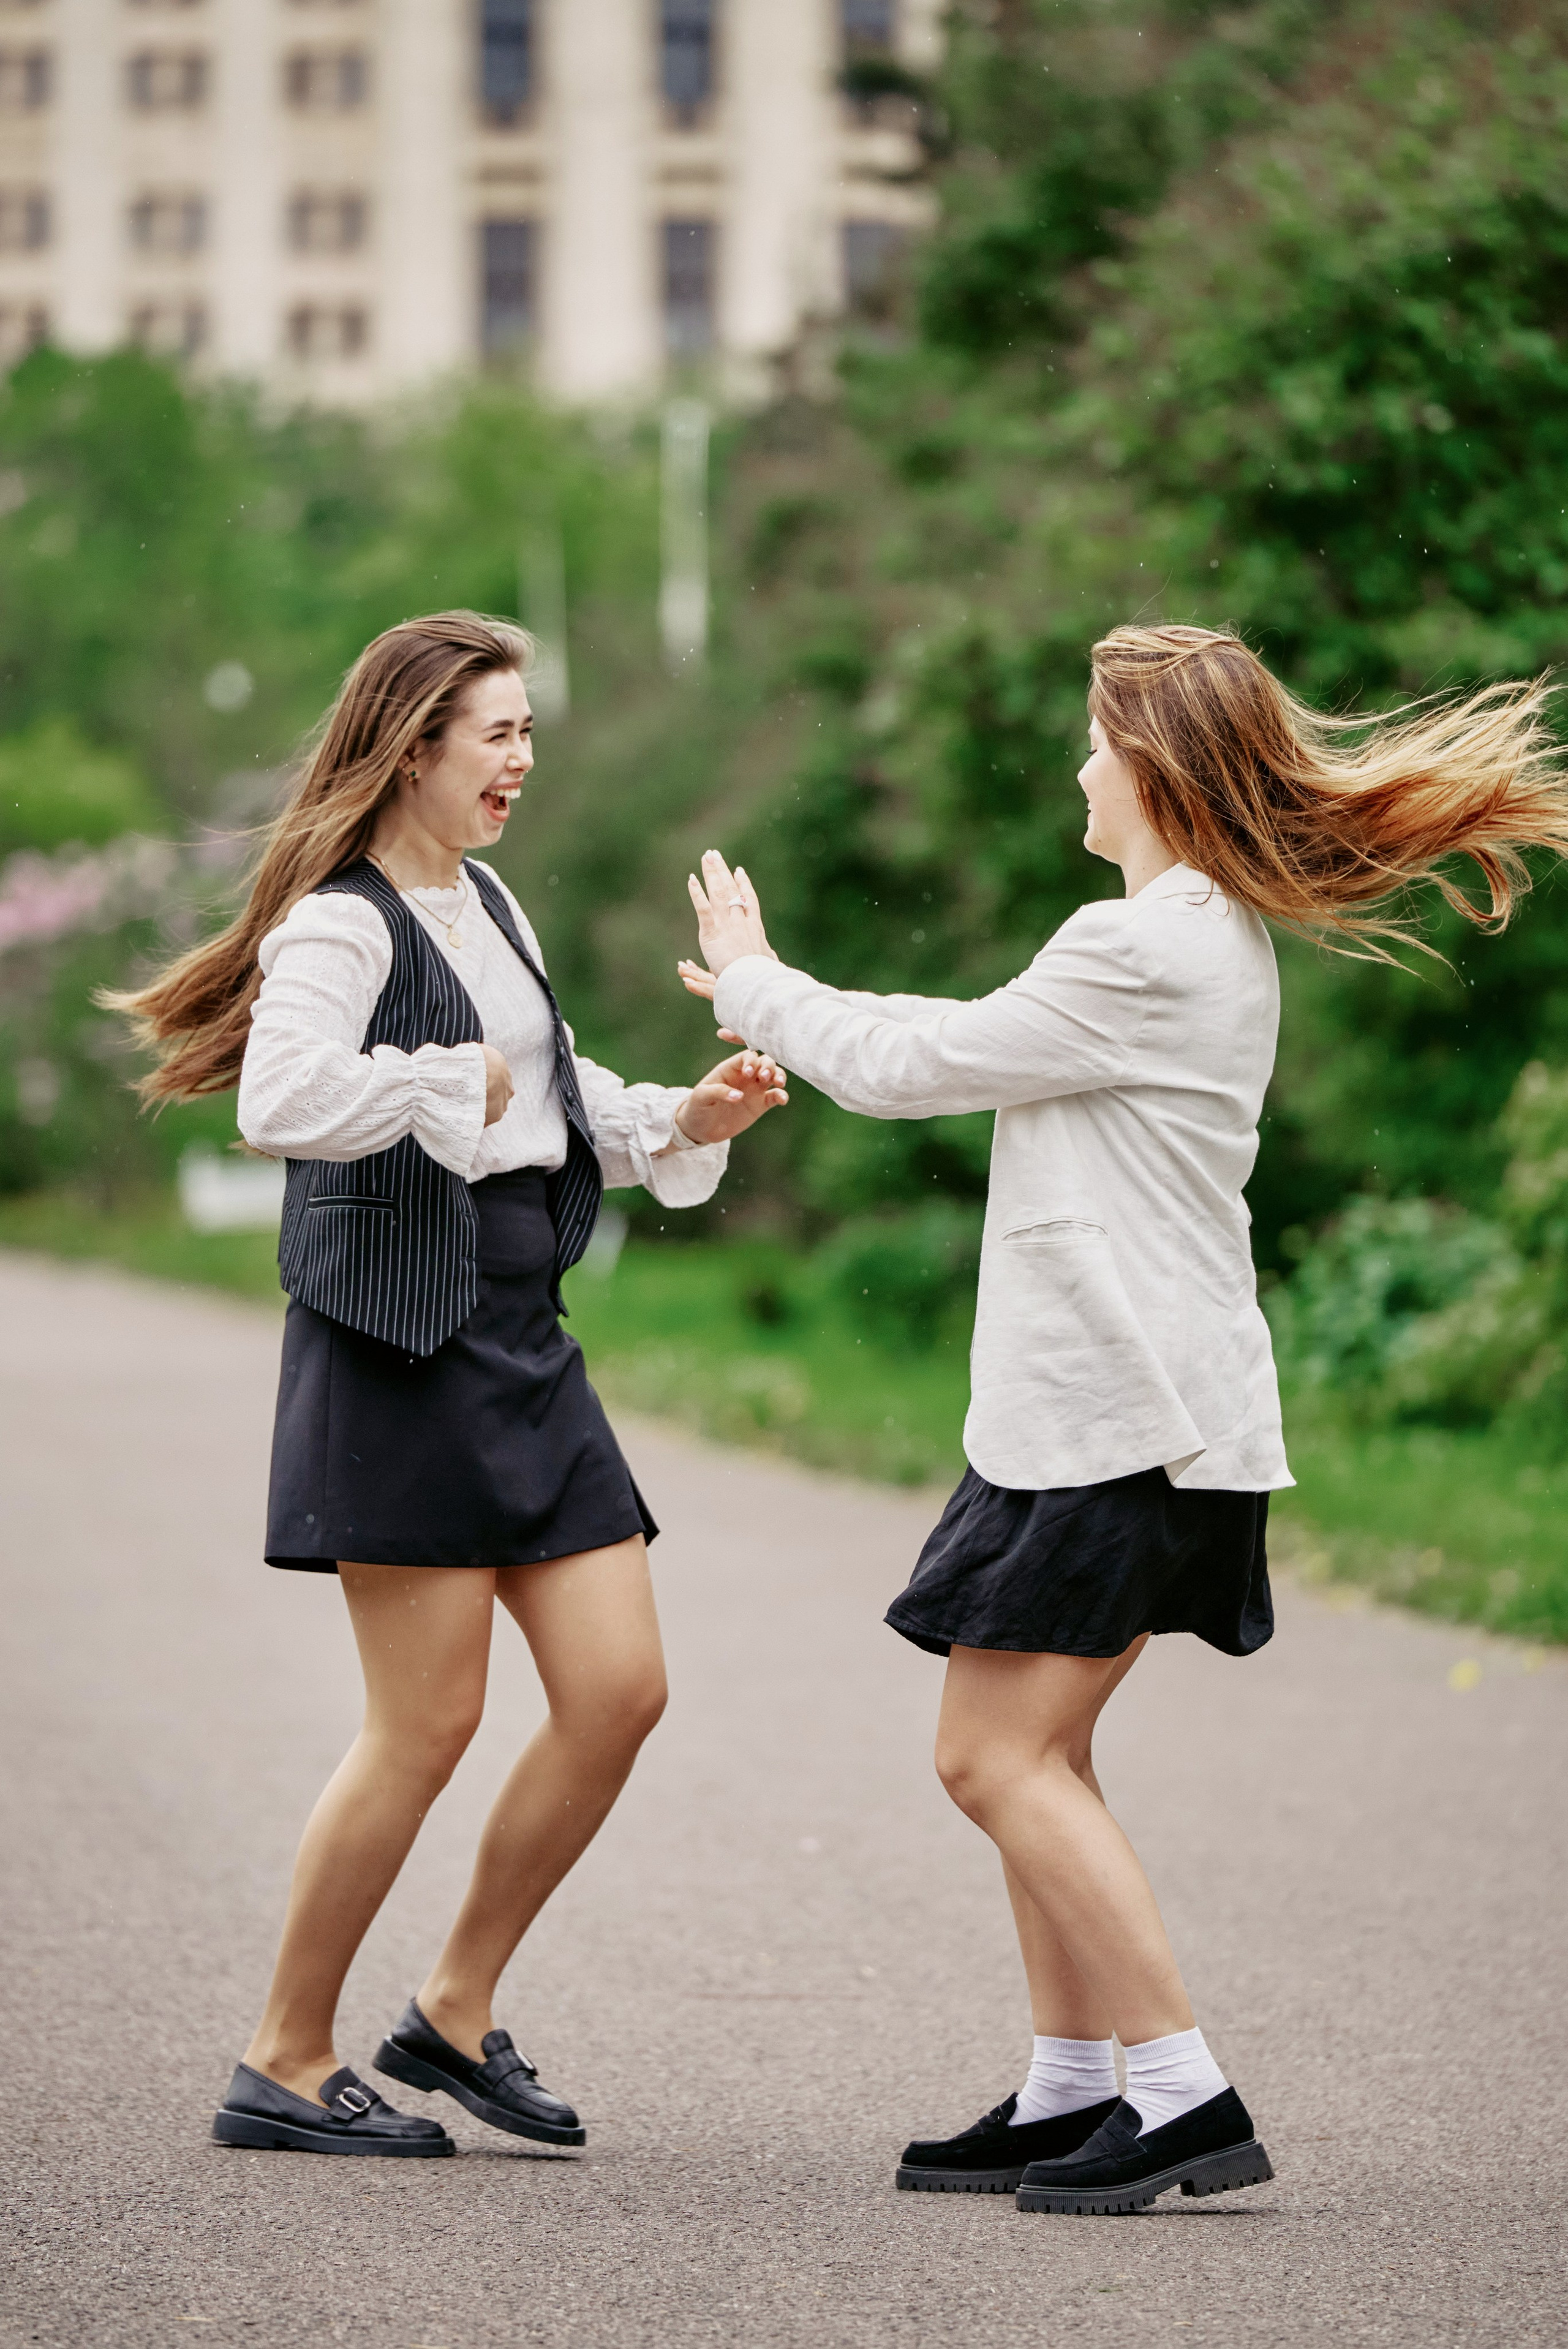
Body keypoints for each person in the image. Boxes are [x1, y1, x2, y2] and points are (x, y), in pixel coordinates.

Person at [678, 622, 1568, 2216]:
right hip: (1094, 1416)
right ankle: (1073, 2083)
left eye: (1096, 739)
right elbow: (956, 1029)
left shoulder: (1146, 943)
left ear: (1149, 764)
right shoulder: (1176, 935)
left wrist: (754, 975)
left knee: (990, 1753)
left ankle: (1182, 2087)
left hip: (1123, 1423)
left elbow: (916, 1059)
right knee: (1045, 1748)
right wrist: (790, 990)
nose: (1080, 766)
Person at [113, 610, 788, 2160]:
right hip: (396, 1342)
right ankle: (281, 2059)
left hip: (519, 1330)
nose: (523, 760)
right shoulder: (341, 926)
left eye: (529, 730)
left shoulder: (489, 905)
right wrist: (439, 1080)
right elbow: (277, 1099)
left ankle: (453, 2011)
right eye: (497, 732)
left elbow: (552, 1094)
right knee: (423, 1727)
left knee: (619, 1692)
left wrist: (681, 1113)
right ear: (413, 743)